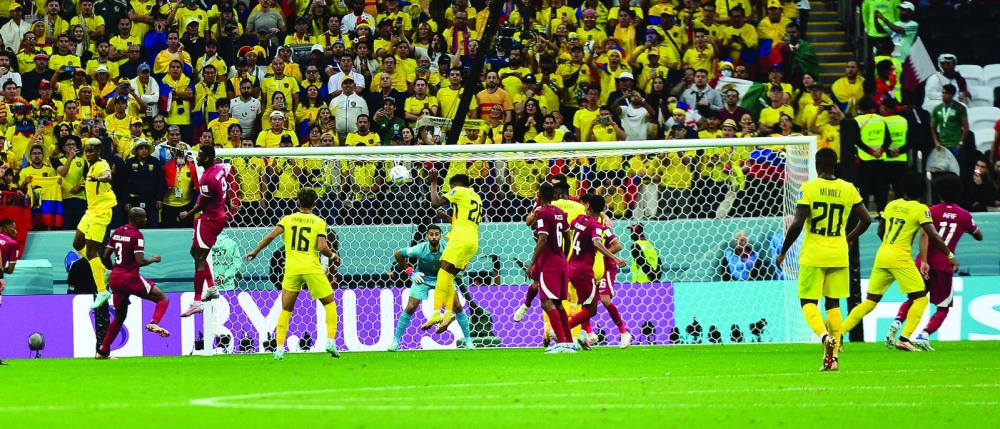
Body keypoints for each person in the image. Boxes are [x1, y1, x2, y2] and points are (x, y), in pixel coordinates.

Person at [840, 172, 959, 352]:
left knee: (869, 302)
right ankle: (904, 338)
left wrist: (889, 247)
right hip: (900, 257)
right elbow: (933, 235)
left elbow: (880, 230)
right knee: (920, 299)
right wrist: (949, 254)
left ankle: (838, 334)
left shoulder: (891, 205)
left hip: (882, 254)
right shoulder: (921, 209)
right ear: (921, 190)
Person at [777, 148, 872, 371]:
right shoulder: (848, 189)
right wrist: (849, 237)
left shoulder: (809, 188)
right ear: (835, 165)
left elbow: (798, 223)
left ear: (817, 165)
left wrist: (783, 251)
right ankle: (833, 356)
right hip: (839, 253)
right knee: (833, 303)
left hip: (814, 255)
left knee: (808, 303)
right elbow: (866, 219)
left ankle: (823, 336)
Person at [887, 174, 983, 351]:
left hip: (924, 262)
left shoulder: (930, 210)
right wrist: (968, 227)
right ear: (959, 193)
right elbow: (979, 235)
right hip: (944, 264)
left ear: (938, 193)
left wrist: (923, 260)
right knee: (943, 306)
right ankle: (924, 334)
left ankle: (898, 320)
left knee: (914, 298)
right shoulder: (964, 215)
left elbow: (924, 234)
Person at [244, 187, 340, 360]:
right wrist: (333, 256)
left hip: (292, 269)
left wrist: (255, 251)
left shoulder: (287, 220)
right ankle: (331, 341)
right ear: (315, 204)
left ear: (297, 202)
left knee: (286, 309)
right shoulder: (318, 222)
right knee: (329, 303)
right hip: (312, 268)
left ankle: (279, 348)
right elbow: (322, 247)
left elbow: (271, 237)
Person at [96, 208, 169, 359]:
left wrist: (113, 269)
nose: (146, 220)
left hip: (116, 278)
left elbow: (105, 256)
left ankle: (102, 351)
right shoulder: (137, 235)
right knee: (162, 299)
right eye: (144, 218)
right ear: (137, 219)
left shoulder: (116, 232)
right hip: (131, 278)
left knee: (119, 317)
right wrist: (153, 259)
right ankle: (154, 322)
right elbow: (140, 261)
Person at [389, 224, 474, 351]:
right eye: (431, 234)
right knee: (411, 307)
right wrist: (410, 272)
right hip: (423, 278)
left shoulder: (447, 248)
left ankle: (468, 341)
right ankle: (395, 342)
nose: (434, 237)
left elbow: (463, 258)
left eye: (436, 234)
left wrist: (460, 270)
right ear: (427, 236)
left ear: (440, 236)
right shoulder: (420, 248)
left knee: (457, 306)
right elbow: (398, 254)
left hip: (444, 278)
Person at [177, 145, 234, 317]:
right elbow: (226, 191)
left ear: (207, 158)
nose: (197, 157)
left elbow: (202, 204)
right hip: (219, 216)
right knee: (194, 252)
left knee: (200, 259)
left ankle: (197, 302)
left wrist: (187, 214)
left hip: (209, 220)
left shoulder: (207, 179)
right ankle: (211, 287)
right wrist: (229, 205)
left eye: (200, 155)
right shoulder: (219, 168)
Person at [422, 170, 481, 334]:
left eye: (451, 187)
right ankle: (448, 314)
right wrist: (447, 218)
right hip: (472, 241)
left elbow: (435, 201)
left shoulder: (459, 190)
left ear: (457, 184)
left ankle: (436, 313)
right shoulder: (475, 197)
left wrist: (433, 182)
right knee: (448, 276)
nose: (450, 191)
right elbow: (463, 221)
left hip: (460, 239)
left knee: (442, 272)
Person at [565, 194, 626, 349]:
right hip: (586, 269)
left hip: (599, 268)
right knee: (588, 305)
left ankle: (622, 333)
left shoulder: (599, 225)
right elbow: (596, 242)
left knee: (597, 302)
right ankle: (579, 333)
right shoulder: (592, 223)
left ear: (587, 206)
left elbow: (617, 245)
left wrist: (610, 257)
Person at [525, 182, 575, 353]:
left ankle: (561, 343)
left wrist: (532, 264)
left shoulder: (543, 213)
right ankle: (568, 342)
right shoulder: (560, 213)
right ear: (554, 196)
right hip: (561, 261)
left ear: (539, 196)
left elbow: (543, 239)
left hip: (549, 264)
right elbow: (568, 239)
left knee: (547, 303)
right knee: (558, 303)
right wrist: (564, 256)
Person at [75, 138, 117, 309]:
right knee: (78, 244)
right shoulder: (91, 166)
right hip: (91, 211)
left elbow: (107, 175)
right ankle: (104, 271)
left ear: (99, 151)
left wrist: (102, 179)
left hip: (101, 212)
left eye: (91, 151)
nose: (88, 154)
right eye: (86, 151)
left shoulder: (102, 165)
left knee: (92, 251)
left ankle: (102, 291)